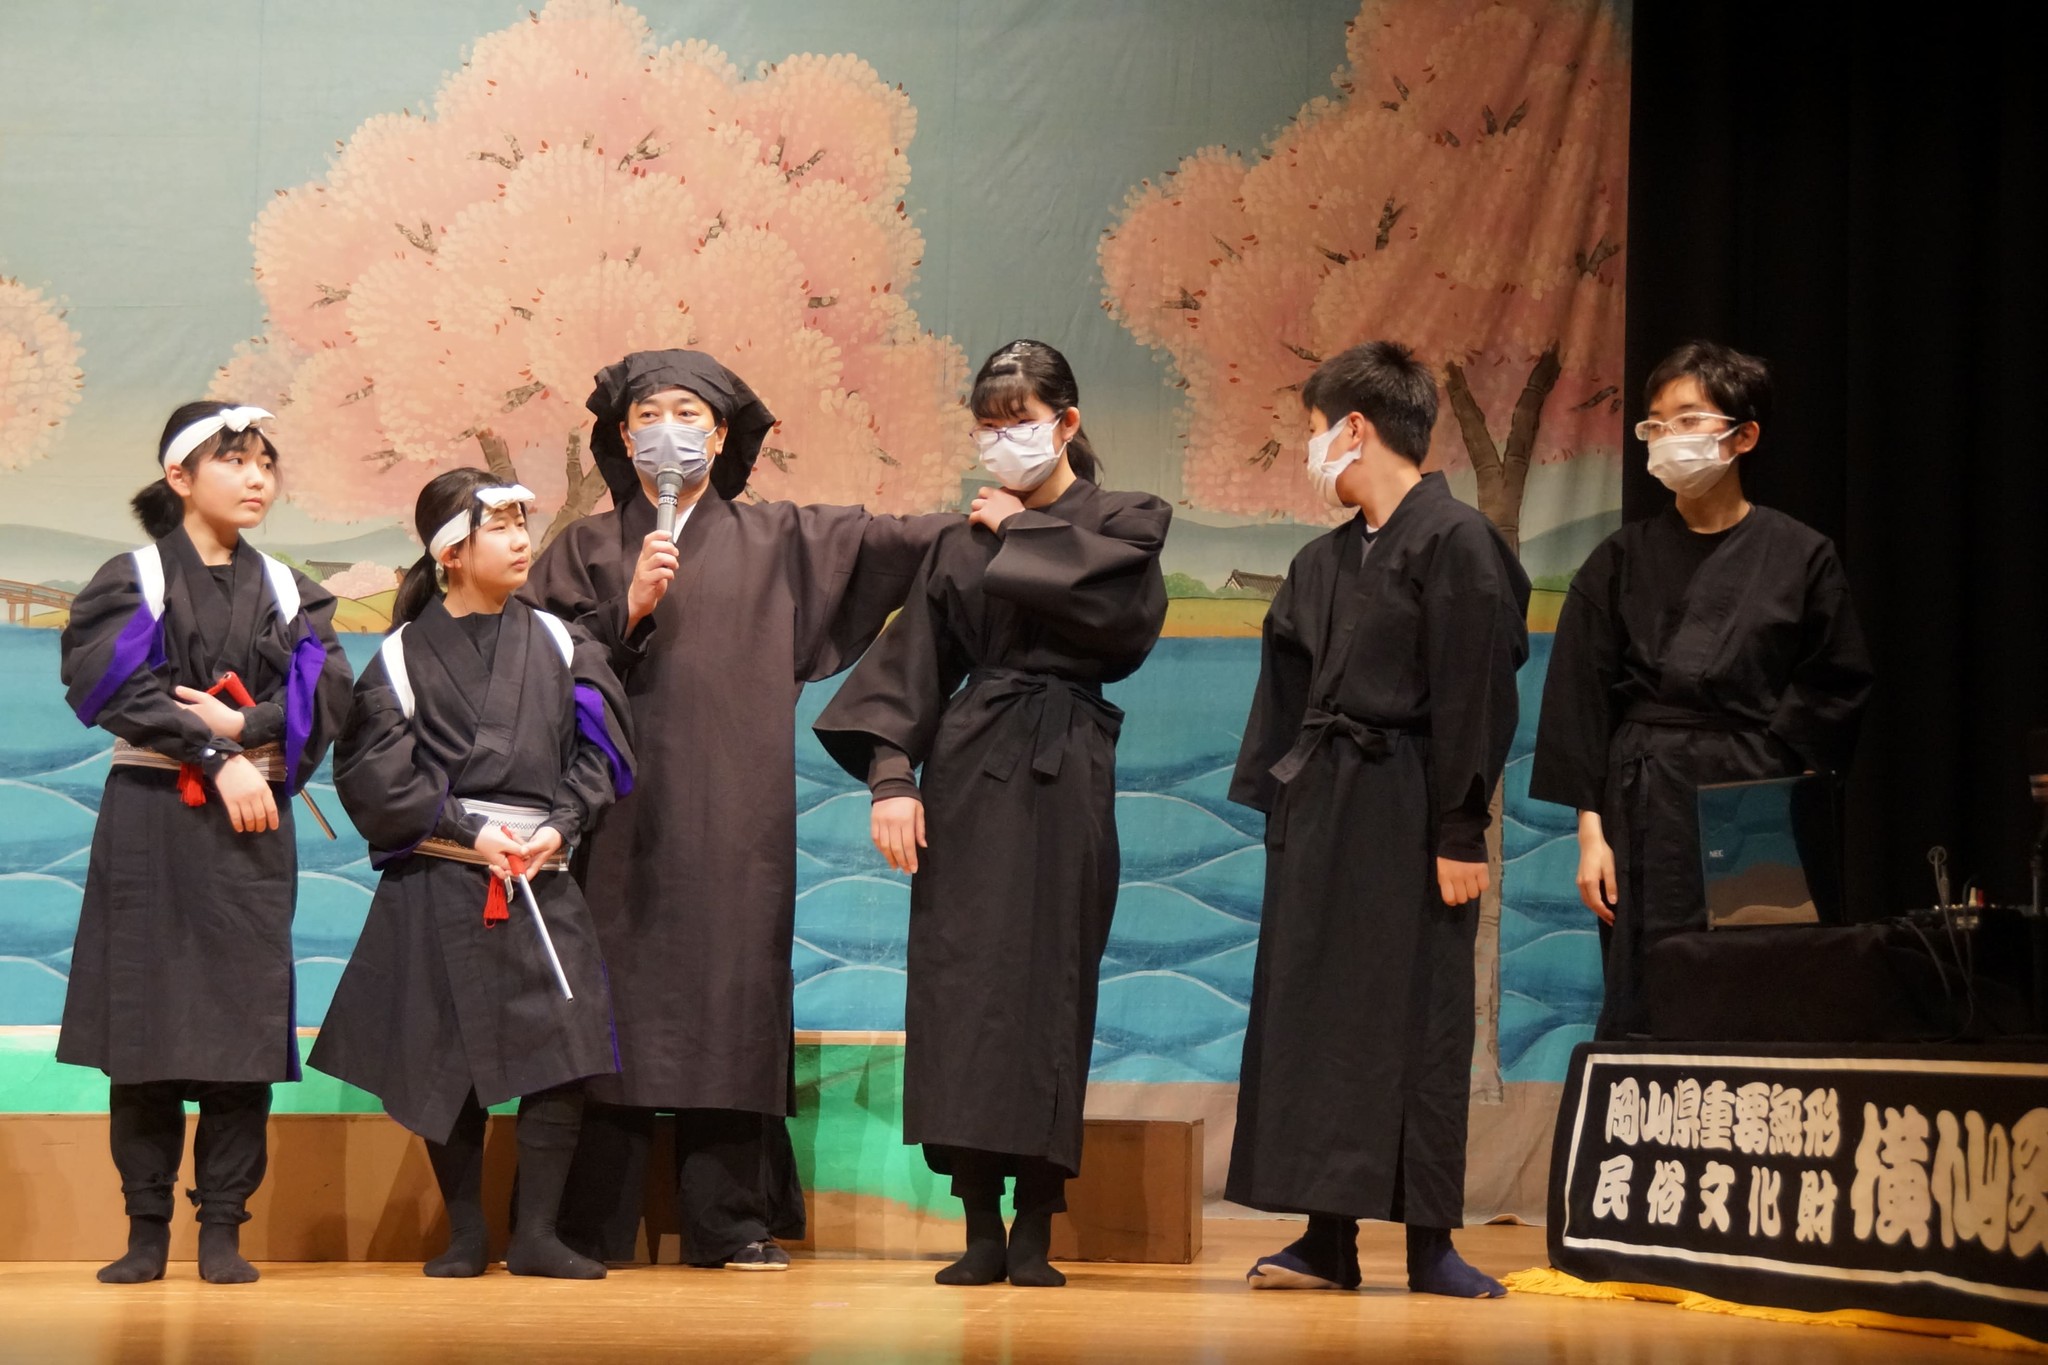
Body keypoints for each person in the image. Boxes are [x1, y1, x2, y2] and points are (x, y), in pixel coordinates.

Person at [523, 349, 958, 1271]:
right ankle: (594, 1220)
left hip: (736, 808)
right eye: (648, 414)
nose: (667, 430)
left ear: (721, 437)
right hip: (612, 812)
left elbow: (909, 542)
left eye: (688, 413)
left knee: (730, 993)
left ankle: (726, 1217)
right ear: (622, 436)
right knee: (611, 998)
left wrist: (1004, 517)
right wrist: (624, 614)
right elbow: (532, 671)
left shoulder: (783, 539)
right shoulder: (583, 549)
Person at [814, 340, 1170, 1287]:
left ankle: (1038, 1222)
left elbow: (1122, 626)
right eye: (988, 425)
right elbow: (914, 666)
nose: (1001, 439)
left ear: (1067, 421)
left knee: (1053, 981)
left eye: (1020, 421)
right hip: (971, 770)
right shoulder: (958, 539)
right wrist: (893, 777)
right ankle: (977, 1220)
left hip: (1066, 765)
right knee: (961, 984)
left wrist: (1022, 531)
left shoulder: (1128, 519)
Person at [1228, 342, 1529, 1299]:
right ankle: (1328, 1236)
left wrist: (1461, 827)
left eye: (1314, 431)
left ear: (1354, 429)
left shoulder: (1457, 541)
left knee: (1420, 1014)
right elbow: (1285, 695)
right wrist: (1281, 810)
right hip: (1324, 808)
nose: (1310, 449)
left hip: (1410, 801)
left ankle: (1430, 1242)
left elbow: (1478, 690)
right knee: (1319, 1011)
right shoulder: (1320, 560)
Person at [309, 470, 636, 1279]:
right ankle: (464, 1232)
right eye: (502, 527)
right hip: (444, 875)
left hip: (540, 872)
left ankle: (537, 1233)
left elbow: (600, 750)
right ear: (451, 552)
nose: (523, 540)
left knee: (562, 1049)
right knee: (440, 1053)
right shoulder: (399, 657)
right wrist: (466, 828)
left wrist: (561, 823)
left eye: (524, 522)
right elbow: (376, 771)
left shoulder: (560, 642)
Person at [57, 401, 353, 1284]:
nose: (257, 477)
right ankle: (145, 1227)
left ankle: (223, 1225)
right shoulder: (136, 576)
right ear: (179, 476)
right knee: (144, 1027)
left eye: (265, 461)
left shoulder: (290, 588)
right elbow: (110, 683)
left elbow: (328, 691)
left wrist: (246, 727)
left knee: (239, 1027)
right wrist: (214, 753)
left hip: (247, 828)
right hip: (152, 820)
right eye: (234, 460)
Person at [1530, 341, 1873, 1039]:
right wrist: (1591, 835)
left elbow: (1835, 682)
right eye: (1656, 424)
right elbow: (1580, 700)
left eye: (1687, 419)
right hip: (1645, 797)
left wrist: (1780, 787)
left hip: (1756, 794)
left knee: (1762, 983)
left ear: (1743, 436)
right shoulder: (1619, 560)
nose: (1668, 438)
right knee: (1651, 983)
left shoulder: (1801, 555)